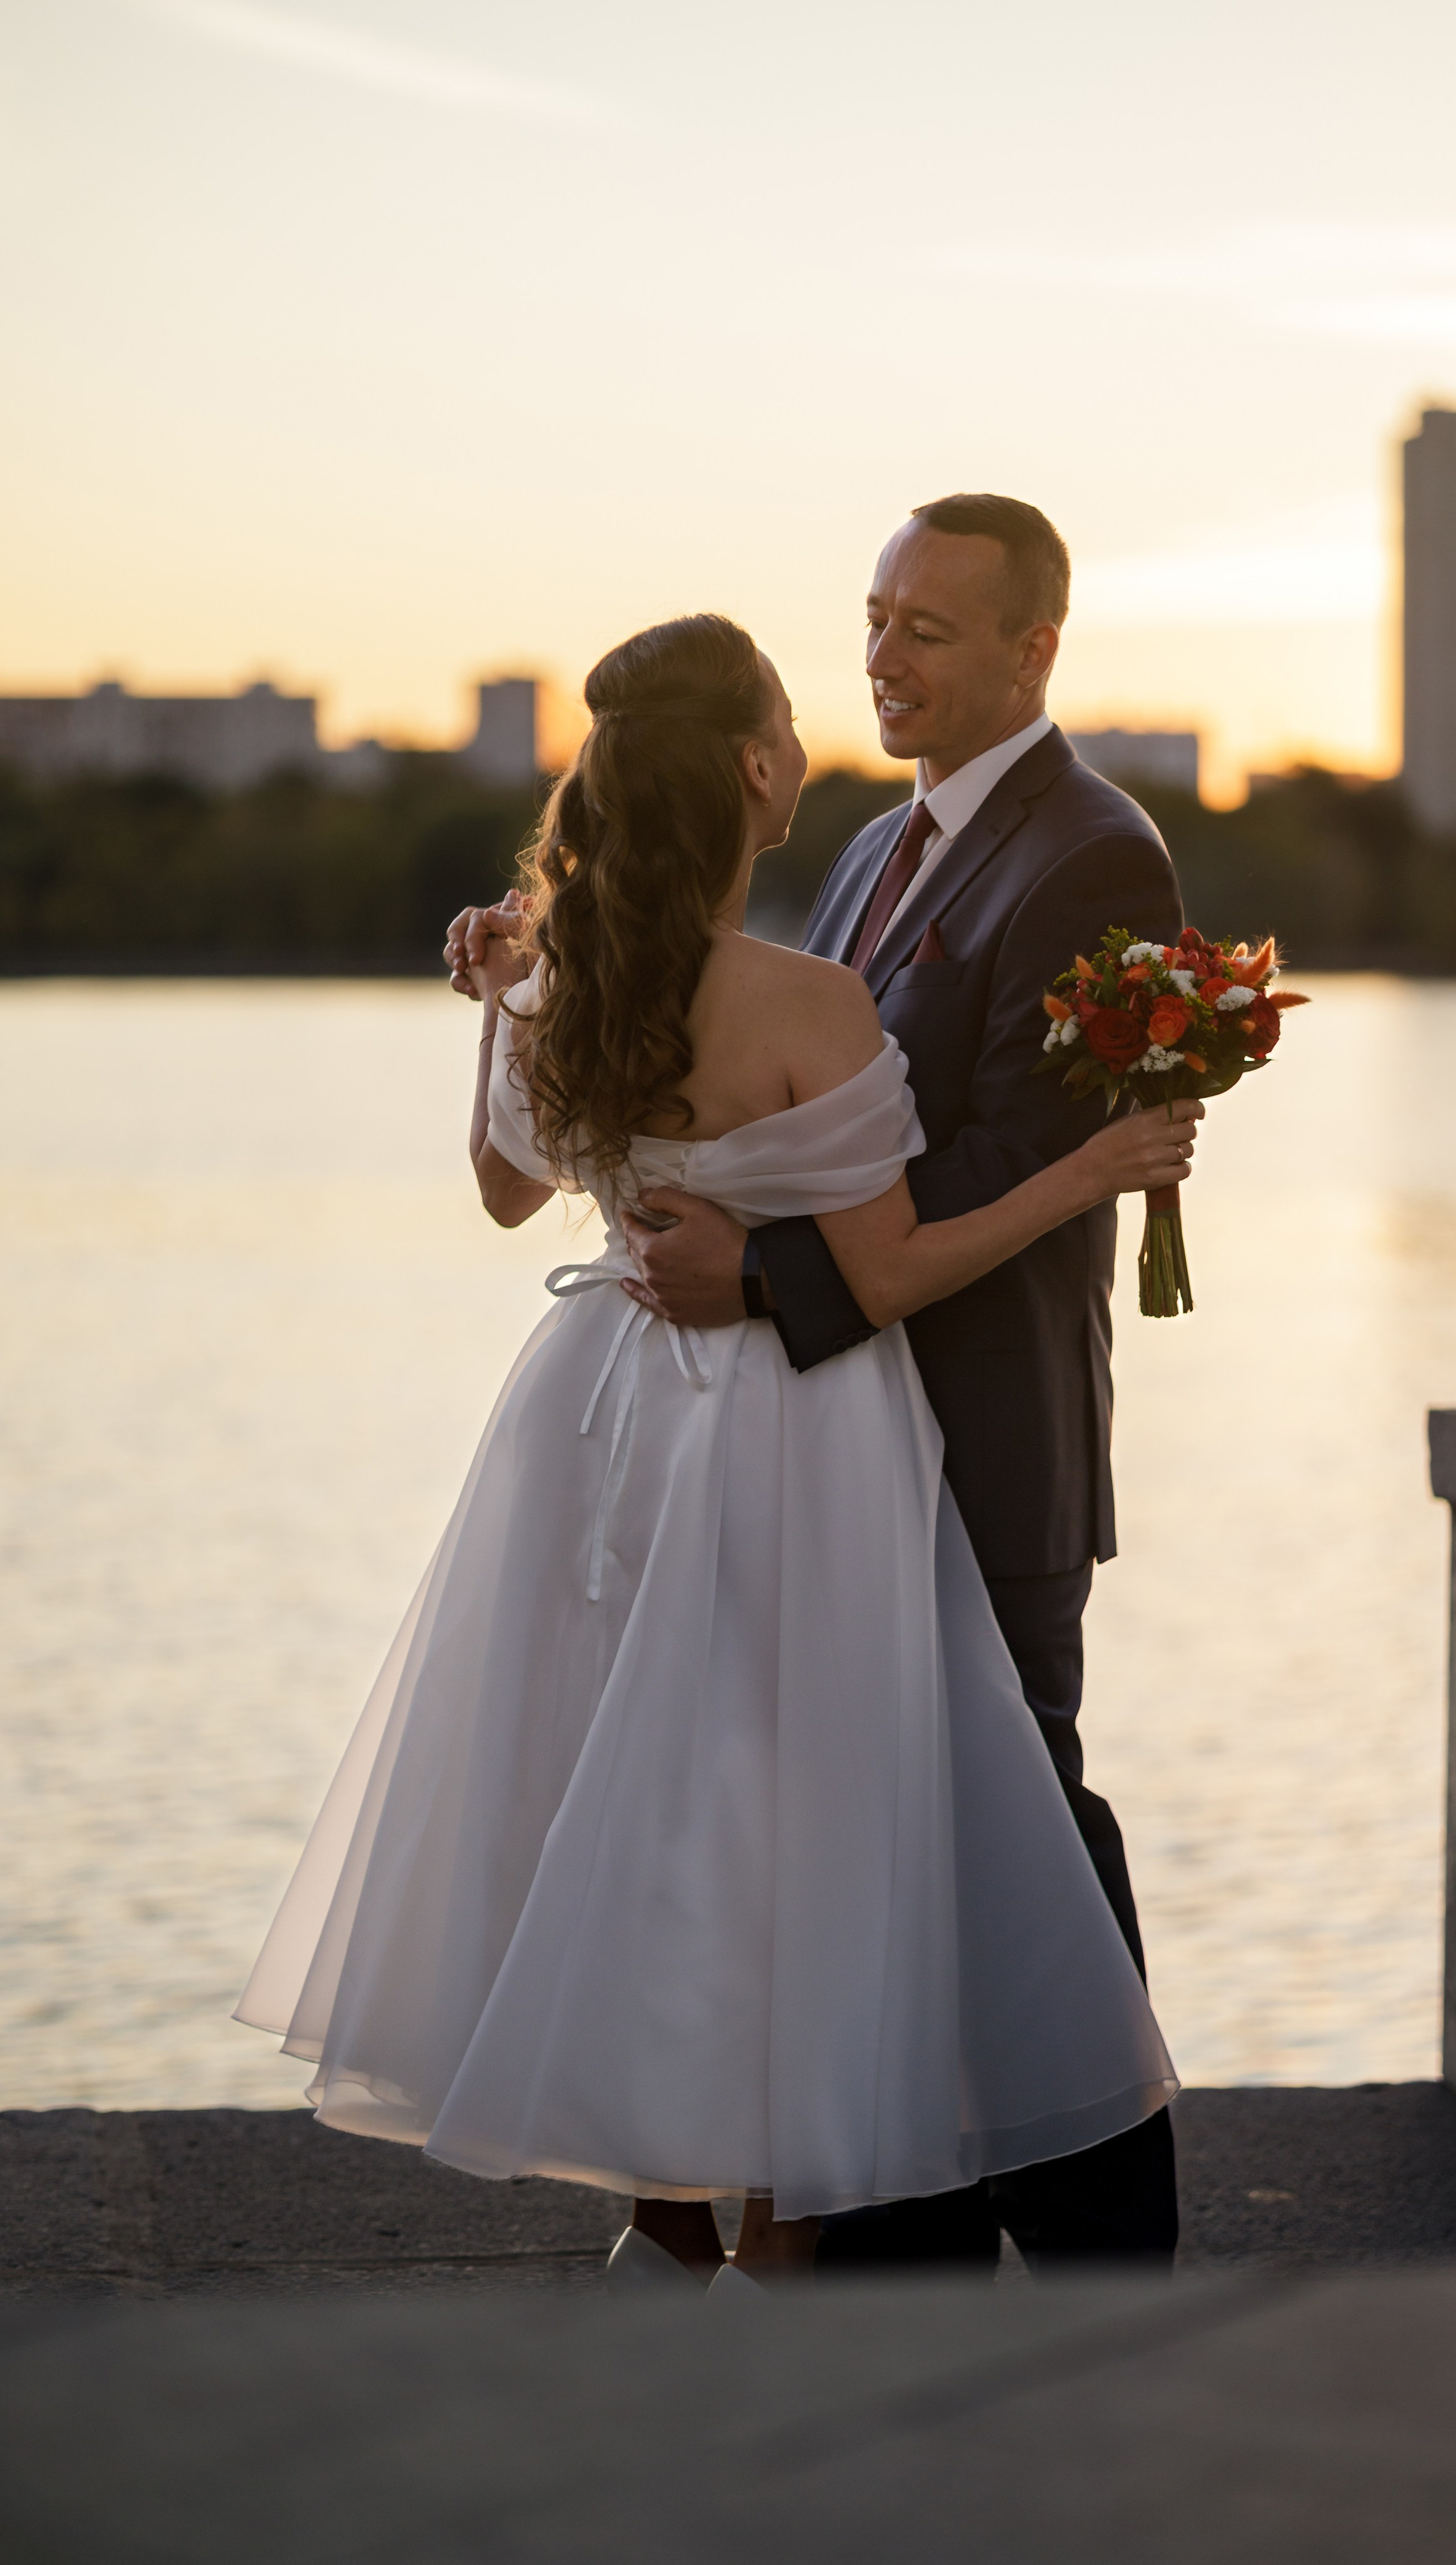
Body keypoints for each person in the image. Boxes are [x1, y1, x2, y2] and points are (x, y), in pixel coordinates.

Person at [238, 608, 1195, 2290]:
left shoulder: (554, 980)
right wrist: (1087, 1168)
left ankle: (661, 2203)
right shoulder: (807, 1004)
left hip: (592, 1416)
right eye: (787, 707)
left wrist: (499, 988)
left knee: (627, 1791)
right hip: (783, 1435)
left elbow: (499, 1187)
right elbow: (889, 1266)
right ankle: (783, 2241)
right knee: (790, 1819)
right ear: (755, 769)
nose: (818, 716)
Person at [567, 495, 1191, 2269]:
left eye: (927, 627)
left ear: (1030, 651)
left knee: (1029, 1843)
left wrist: (757, 1278)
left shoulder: (1093, 854)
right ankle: (892, 2257)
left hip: (984, 1438)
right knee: (888, 1852)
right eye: (874, 618)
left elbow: (1005, 1145)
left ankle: (1112, 2273)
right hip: (836, 1448)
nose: (882, 656)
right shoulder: (863, 849)